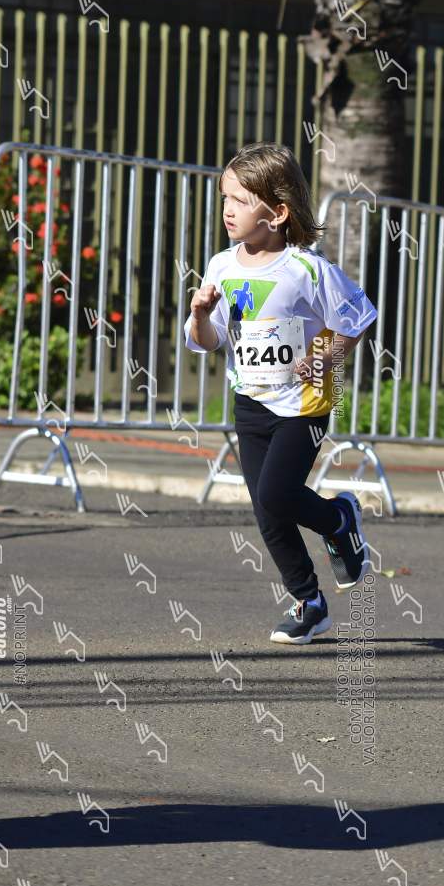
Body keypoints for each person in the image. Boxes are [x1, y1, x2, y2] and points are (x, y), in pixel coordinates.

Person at [184, 141, 378, 646]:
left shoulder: (306, 269)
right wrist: (200, 315)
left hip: (303, 404)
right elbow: (209, 341)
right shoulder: (222, 266)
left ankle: (339, 518)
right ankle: (309, 603)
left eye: (241, 200)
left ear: (278, 212)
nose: (228, 209)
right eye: (225, 198)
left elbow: (358, 317)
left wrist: (327, 357)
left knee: (276, 493)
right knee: (268, 512)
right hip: (250, 401)